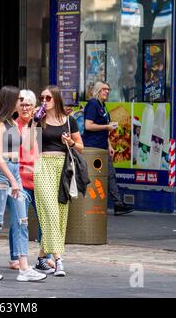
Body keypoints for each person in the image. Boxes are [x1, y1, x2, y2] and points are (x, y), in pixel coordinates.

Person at [0, 85, 46, 282]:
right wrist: (14, 180)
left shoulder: (13, 124)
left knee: (22, 220)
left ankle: (24, 268)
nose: (22, 103)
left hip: (13, 170)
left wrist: (35, 121)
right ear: (10, 101)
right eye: (19, 100)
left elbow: (28, 144)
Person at [28, 85, 84, 277]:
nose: (44, 101)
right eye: (41, 97)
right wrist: (34, 122)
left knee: (60, 215)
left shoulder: (69, 121)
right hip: (43, 165)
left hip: (63, 168)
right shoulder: (39, 119)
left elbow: (80, 147)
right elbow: (27, 144)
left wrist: (69, 142)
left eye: (48, 98)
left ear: (57, 100)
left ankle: (42, 258)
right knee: (50, 212)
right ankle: (59, 260)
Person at [7, 89, 55, 273]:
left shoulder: (42, 126)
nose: (25, 108)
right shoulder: (12, 126)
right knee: (19, 220)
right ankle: (15, 256)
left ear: (35, 107)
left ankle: (46, 256)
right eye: (22, 104)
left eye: (29, 104)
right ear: (16, 106)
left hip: (40, 178)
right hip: (19, 179)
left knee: (45, 219)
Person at [82, 81, 134, 216]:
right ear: (98, 90)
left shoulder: (103, 106)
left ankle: (118, 204)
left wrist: (110, 145)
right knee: (92, 177)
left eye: (108, 89)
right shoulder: (93, 104)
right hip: (92, 148)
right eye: (104, 89)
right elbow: (88, 125)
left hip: (103, 146)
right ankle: (87, 203)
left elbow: (104, 129)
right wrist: (107, 127)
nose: (107, 92)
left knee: (110, 175)